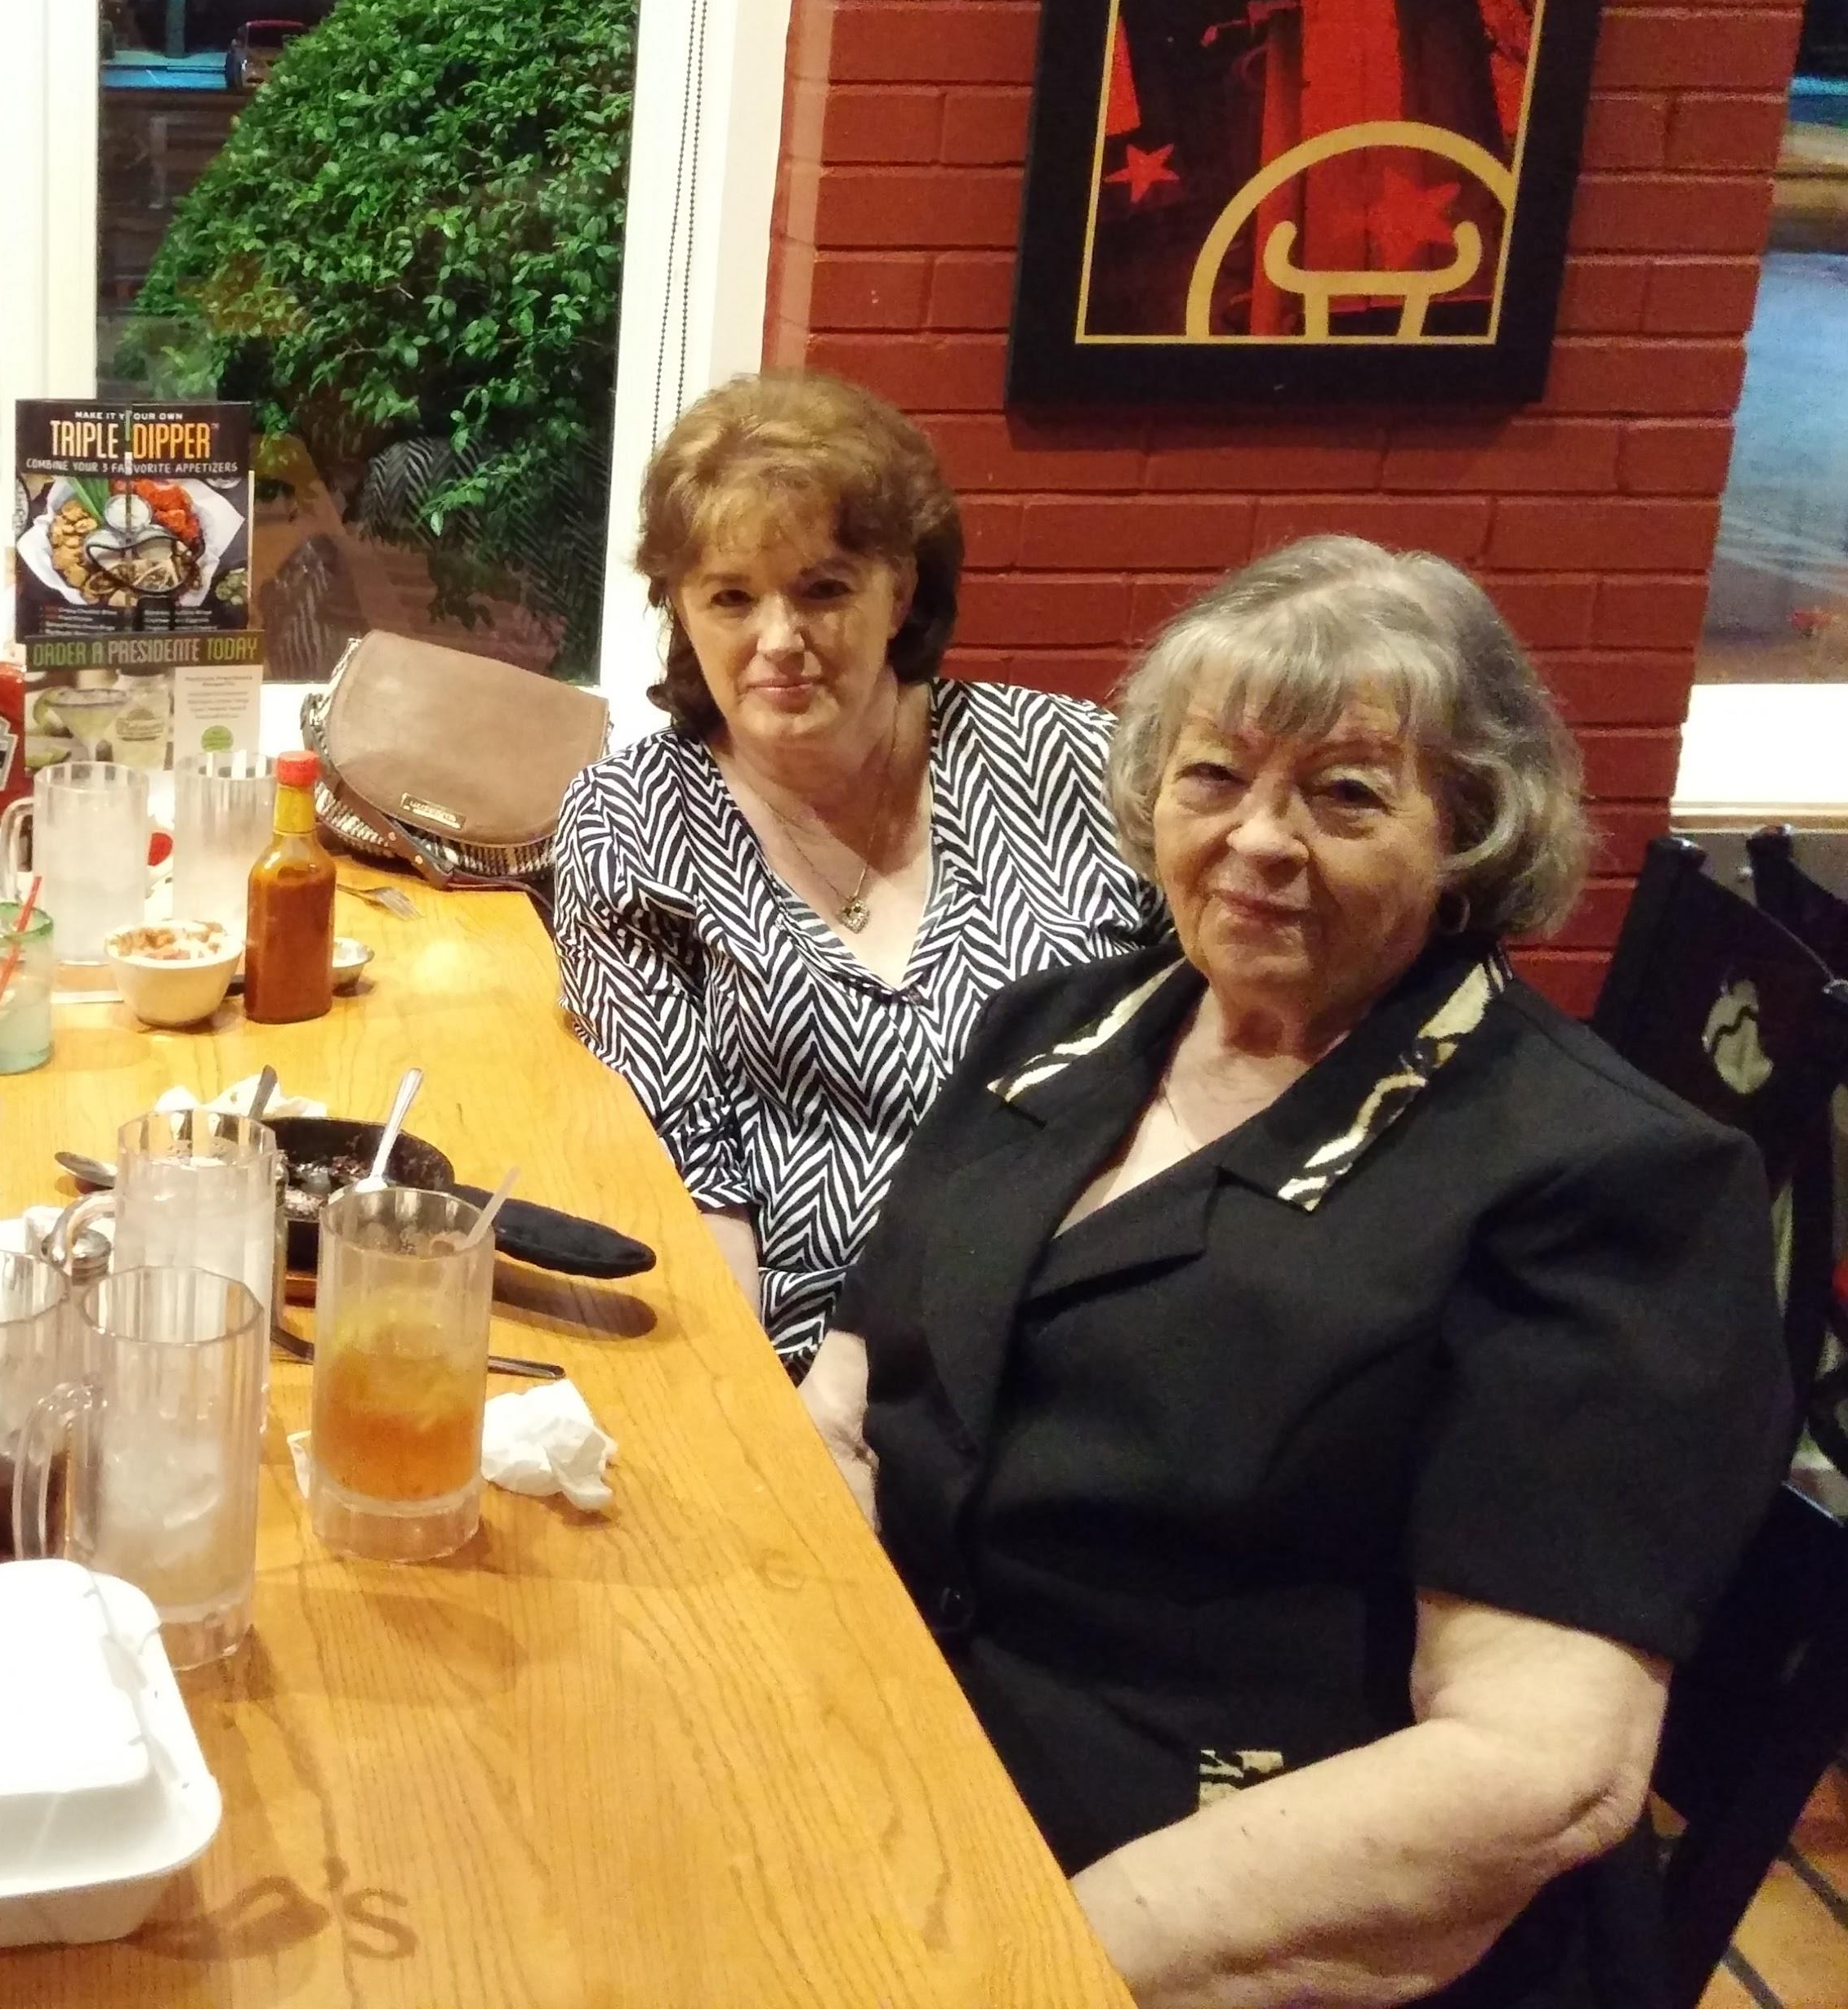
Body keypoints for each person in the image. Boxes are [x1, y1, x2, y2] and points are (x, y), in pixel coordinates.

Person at [805, 536, 1788, 2009]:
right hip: (915, 1782)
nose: (1260, 838)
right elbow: (869, 1371)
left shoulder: (1607, 1186)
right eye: (1214, 778)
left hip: (1186, 1915)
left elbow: (1534, 1770)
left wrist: (1023, 1964)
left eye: (1344, 794)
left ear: (1470, 830)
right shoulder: (1063, 1030)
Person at [552, 370, 1167, 1368]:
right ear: (680, 610)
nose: (778, 642)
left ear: (900, 592)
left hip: (1094, 1335)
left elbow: (1228, 1061)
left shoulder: (1082, 768)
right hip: (796, 1360)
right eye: (730, 598)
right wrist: (755, 1434)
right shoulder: (631, 822)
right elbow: (690, 1190)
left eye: (823, 589)